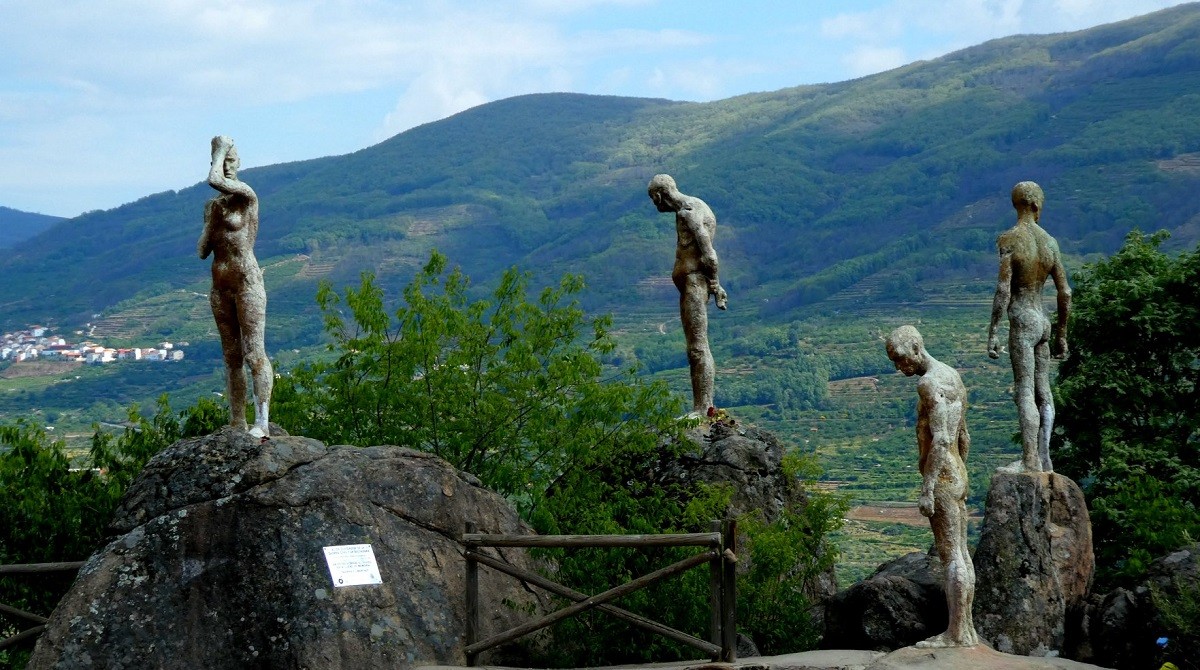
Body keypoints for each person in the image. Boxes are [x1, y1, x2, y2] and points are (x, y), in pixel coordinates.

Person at [886, 325, 980, 648]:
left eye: (901, 359)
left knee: (950, 554)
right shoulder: (952, 375)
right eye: (894, 363)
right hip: (958, 471)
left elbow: (940, 438)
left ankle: (954, 633)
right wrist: (960, 473)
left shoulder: (929, 384)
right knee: (962, 554)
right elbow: (963, 436)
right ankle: (966, 629)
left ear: (916, 348)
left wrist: (928, 487)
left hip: (941, 477)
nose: (900, 368)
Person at [986, 181, 1071, 473]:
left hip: (1023, 319)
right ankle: (1046, 458)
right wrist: (1062, 334)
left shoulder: (1009, 239)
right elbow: (1065, 293)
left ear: (1017, 204)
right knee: (1043, 390)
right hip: (1044, 320)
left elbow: (1003, 291)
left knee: (1024, 390)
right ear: (1035, 204)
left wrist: (993, 331)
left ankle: (1031, 459)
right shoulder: (1050, 243)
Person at [198, 135, 273, 439]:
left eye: (232, 159)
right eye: (223, 159)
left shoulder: (246, 197)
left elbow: (213, 179)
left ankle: (263, 421)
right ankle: (236, 420)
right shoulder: (213, 207)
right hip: (220, 287)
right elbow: (203, 250)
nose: (227, 165)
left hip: (246, 282)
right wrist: (211, 223)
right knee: (231, 357)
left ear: (238, 163)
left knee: (254, 352)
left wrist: (218, 149)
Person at [647, 174, 728, 416]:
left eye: (654, 199)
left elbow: (709, 254)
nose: (655, 204)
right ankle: (702, 405)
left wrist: (715, 285)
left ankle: (703, 407)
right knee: (695, 346)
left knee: (697, 347)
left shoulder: (688, 212)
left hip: (695, 283)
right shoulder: (695, 205)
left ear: (659, 195)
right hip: (692, 283)